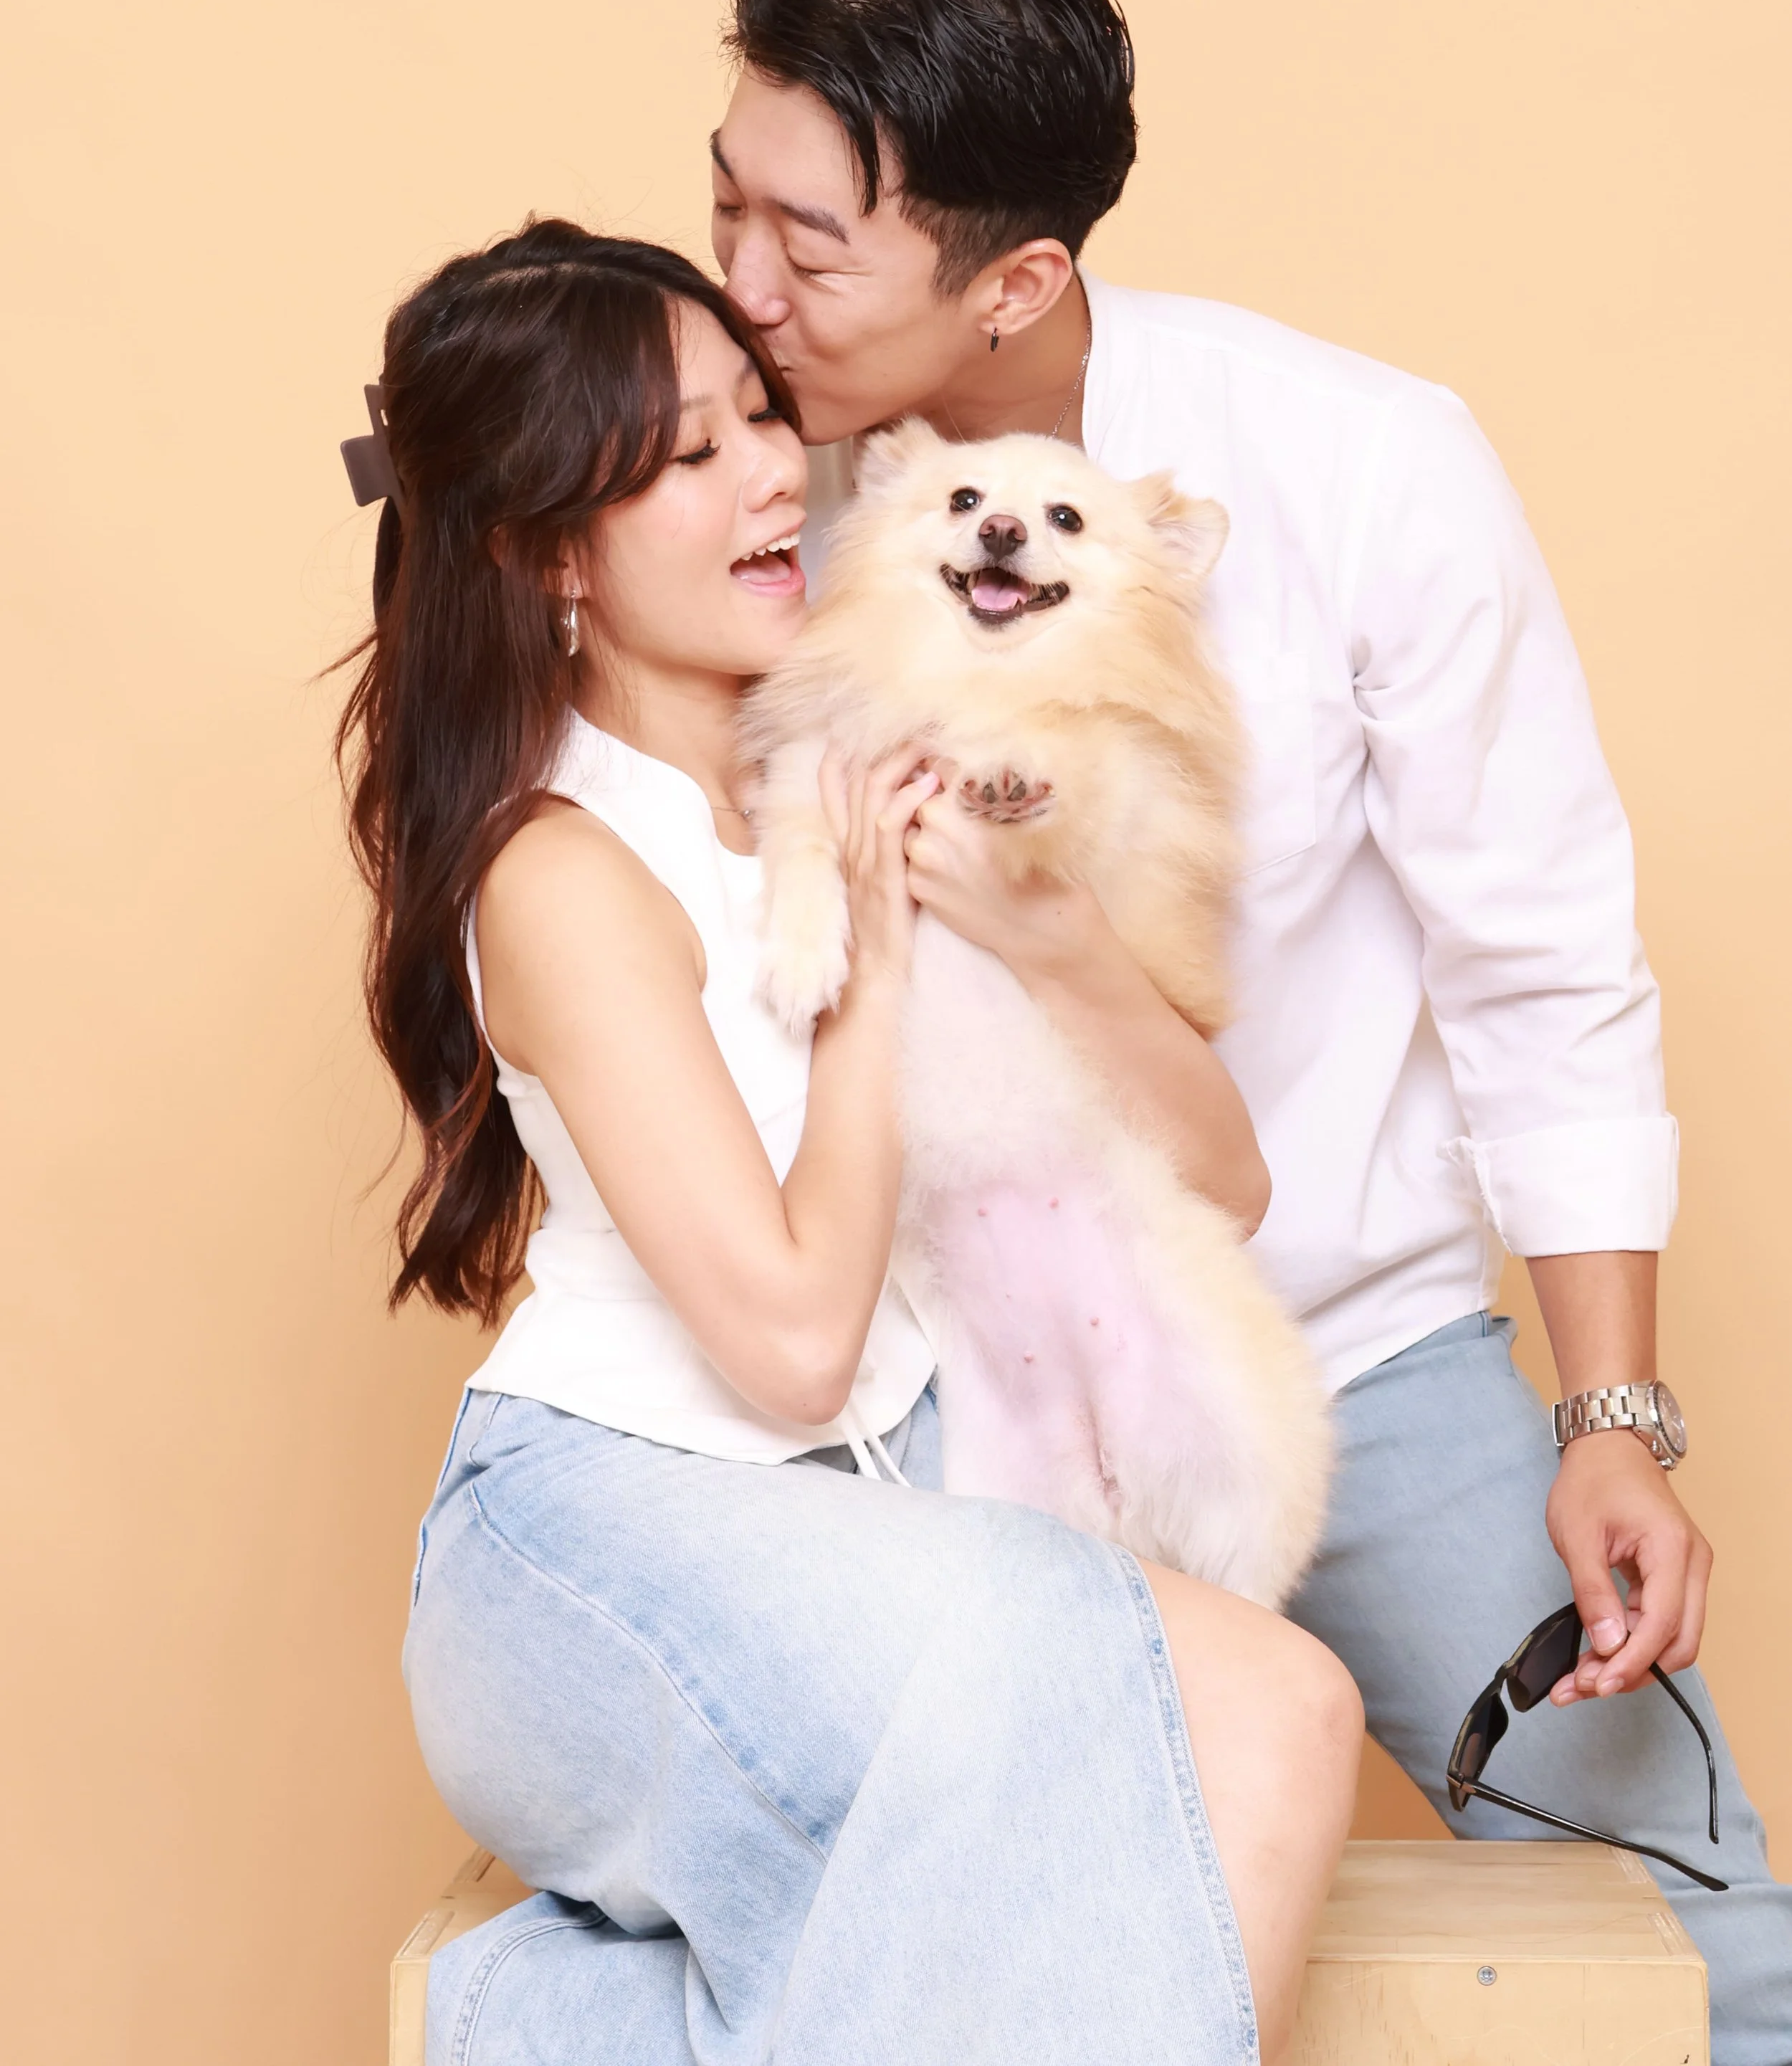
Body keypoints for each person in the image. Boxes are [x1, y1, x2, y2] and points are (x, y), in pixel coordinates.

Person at [707, 0, 1792, 2062]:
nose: (740, 287)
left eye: (805, 246)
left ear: (1012, 278)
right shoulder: (729, 486)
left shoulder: (1364, 464)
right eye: (720, 199)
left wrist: (1610, 1417)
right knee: (913, 1960)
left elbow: (1541, 954)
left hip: (1342, 1348)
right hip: (925, 1382)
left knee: (1708, 1952)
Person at [338, 221, 1362, 2066]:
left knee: (1275, 1713)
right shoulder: (563, 870)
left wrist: (1028, 919)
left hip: (868, 1510)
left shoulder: (881, 757)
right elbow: (797, 1343)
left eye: (756, 416)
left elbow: (1219, 1182)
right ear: (550, 553)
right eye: (683, 457)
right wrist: (884, 961)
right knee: (1185, 1712)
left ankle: (588, 2022)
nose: (765, 479)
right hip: (603, 1537)